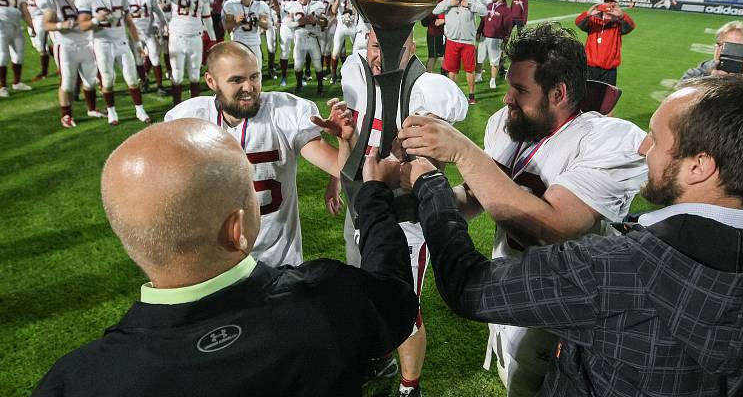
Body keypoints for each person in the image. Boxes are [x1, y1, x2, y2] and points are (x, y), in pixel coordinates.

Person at [396, 74, 743, 396]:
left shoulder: (613, 269)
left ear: (700, 166)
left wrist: (430, 183)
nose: (644, 149)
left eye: (657, 138)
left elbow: (469, 287)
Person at [32, 118, 419, 397]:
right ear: (238, 229)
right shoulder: (328, 300)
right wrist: (373, 197)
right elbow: (395, 294)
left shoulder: (75, 380)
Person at [397, 23, 647, 396]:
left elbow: (552, 228)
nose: (506, 99)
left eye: (520, 89)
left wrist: (463, 151)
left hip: (569, 311)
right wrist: (417, 191)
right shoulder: (507, 123)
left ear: (559, 92)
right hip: (513, 292)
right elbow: (475, 196)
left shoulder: (611, 140)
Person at [340, 29, 468, 397]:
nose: (380, 55)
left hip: (404, 218)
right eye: (375, 44)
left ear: (411, 45)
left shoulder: (428, 87)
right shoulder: (355, 71)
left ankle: (411, 387)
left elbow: (449, 117)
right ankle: (380, 357)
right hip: (362, 206)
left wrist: (423, 133)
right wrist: (342, 148)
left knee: (403, 308)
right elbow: (355, 137)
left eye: (392, 45)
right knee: (365, 291)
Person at [164, 41, 350, 267]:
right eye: (237, 80)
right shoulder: (189, 119)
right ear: (211, 82)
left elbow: (341, 168)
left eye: (254, 77)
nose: (249, 87)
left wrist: (344, 139)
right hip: (215, 264)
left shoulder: (284, 113)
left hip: (277, 262)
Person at [76, 0, 151, 125]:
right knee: (107, 80)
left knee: (131, 78)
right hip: (102, 44)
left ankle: (140, 110)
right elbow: (82, 26)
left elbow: (129, 23)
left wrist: (137, 45)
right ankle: (112, 111)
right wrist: (96, 19)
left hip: (122, 43)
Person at [40, 0, 104, 126]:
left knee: (90, 81)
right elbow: (46, 24)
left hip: (86, 43)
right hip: (66, 46)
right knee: (67, 83)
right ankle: (66, 115)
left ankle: (92, 109)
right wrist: (61, 25)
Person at [680, 20, 743, 101]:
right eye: (727, 46)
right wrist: (711, 81)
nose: (732, 53)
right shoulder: (697, 74)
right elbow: (680, 98)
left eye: (738, 47)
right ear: (717, 48)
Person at [157, 0, 217, 105]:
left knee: (195, 75)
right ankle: (176, 105)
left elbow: (207, 17)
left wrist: (212, 38)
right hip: (177, 37)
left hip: (195, 36)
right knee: (177, 75)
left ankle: (193, 105)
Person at [432, 0, 487, 104]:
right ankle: (454, 95)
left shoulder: (472, 1)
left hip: (468, 42)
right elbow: (435, 10)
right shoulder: (449, 1)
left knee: (470, 70)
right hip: (452, 40)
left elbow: (484, 11)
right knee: (452, 70)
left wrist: (470, 5)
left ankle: (471, 96)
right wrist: (450, 3)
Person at [118, 0, 166, 94]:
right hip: (134, 35)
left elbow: (159, 12)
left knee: (155, 58)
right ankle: (144, 82)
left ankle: (160, 85)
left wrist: (164, 25)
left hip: (148, 32)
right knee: (138, 60)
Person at [575, 0, 635, 86]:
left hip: (609, 70)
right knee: (587, 96)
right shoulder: (593, 20)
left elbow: (630, 26)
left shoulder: (619, 24)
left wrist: (622, 16)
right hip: (590, 67)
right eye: (607, 1)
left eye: (613, 3)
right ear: (602, 3)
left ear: (617, 6)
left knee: (606, 99)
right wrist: (588, 13)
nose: (610, 4)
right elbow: (578, 22)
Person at [0, 0, 35, 98]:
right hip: (2, 25)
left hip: (16, 25)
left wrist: (32, 25)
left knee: (19, 54)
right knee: (2, 56)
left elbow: (24, 10)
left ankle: (17, 82)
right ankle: (2, 86)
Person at [285, 0, 326, 95]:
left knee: (318, 64)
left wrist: (316, 20)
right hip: (300, 39)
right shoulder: (292, 6)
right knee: (298, 65)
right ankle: (299, 84)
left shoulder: (317, 5)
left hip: (313, 39)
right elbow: (288, 24)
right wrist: (299, 22)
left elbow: (324, 23)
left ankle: (320, 86)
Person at [223, 0, 271, 68]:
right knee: (239, 70)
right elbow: (226, 27)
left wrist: (257, 21)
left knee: (256, 70)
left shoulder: (260, 5)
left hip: (254, 43)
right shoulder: (232, 5)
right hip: (239, 43)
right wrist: (236, 21)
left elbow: (266, 26)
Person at [478, 0, 513, 89]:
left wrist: (505, 39)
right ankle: (478, 75)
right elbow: (483, 20)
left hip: (496, 38)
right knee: (480, 58)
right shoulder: (489, 6)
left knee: (494, 61)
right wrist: (479, 31)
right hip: (484, 37)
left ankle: (492, 80)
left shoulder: (505, 10)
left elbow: (508, 26)